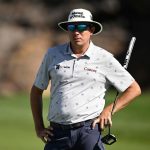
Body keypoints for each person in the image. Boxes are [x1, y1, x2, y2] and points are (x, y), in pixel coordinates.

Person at [30, 8, 141, 150]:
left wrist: (108, 111)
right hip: (57, 133)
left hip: (88, 131)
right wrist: (39, 127)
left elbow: (134, 89)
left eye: (82, 27)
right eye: (72, 27)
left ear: (91, 30)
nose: (76, 31)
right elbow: (36, 91)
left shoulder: (104, 57)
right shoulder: (53, 54)